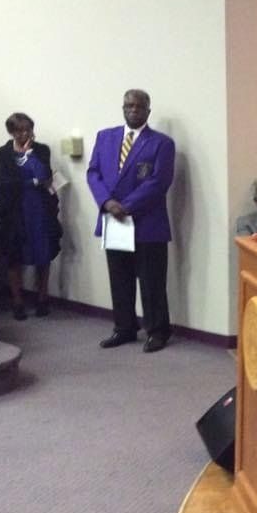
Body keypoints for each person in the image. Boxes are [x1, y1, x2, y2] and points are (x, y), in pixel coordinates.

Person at [87, 89, 175, 353]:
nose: (133, 110)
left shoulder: (161, 143)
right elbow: (93, 173)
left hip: (147, 222)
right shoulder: (105, 137)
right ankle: (124, 328)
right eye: (128, 105)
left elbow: (159, 181)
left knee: (151, 282)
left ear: (148, 110)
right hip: (114, 221)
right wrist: (106, 202)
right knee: (119, 278)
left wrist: (126, 206)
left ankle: (157, 331)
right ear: (123, 108)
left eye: (139, 106)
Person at [0, 113, 62, 320]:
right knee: (14, 255)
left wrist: (29, 156)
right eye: (19, 130)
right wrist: (32, 182)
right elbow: (4, 182)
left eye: (28, 130)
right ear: (11, 132)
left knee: (43, 253)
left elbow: (44, 176)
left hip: (39, 208)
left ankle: (42, 299)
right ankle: (17, 302)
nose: (25, 134)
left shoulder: (41, 150)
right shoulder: (3, 153)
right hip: (14, 210)